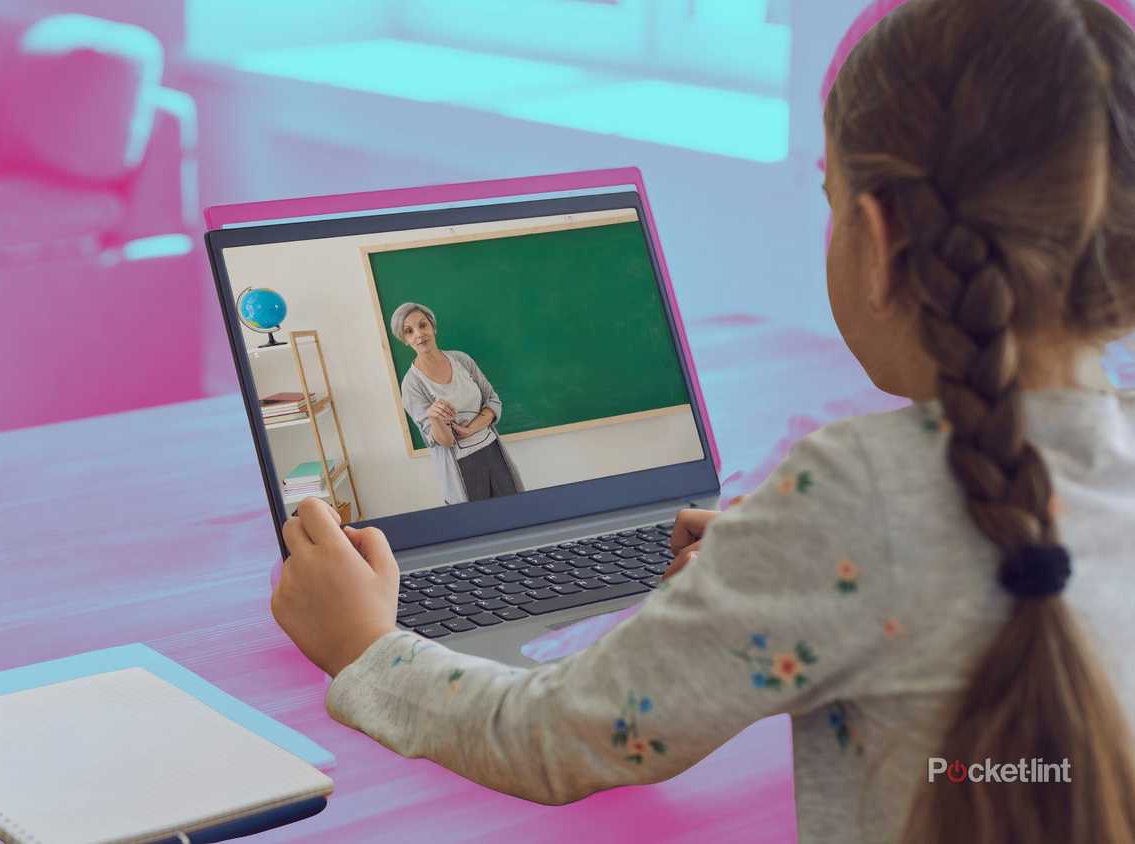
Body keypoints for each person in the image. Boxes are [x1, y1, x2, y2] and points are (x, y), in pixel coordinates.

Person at [268, 1, 1135, 841]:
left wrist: (367, 645)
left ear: (881, 235)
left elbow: (554, 733)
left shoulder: (853, 494)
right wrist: (782, 557)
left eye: (829, 196)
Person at [391, 302, 525, 505]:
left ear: (433, 327)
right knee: (478, 528)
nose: (419, 334)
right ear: (404, 339)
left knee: (517, 513)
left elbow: (493, 400)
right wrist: (434, 417)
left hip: (494, 453)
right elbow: (443, 441)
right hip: (463, 468)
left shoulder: (461, 360)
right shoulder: (412, 384)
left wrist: (472, 428)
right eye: (409, 331)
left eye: (423, 325)